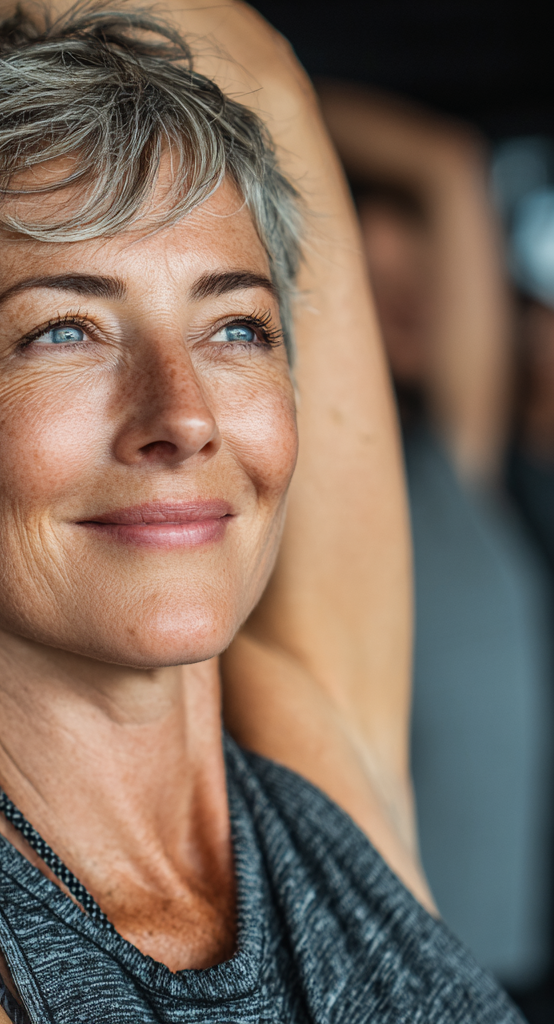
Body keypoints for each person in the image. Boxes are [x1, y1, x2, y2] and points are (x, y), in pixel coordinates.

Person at [0, 4, 521, 1022]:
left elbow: (251, 65)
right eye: (64, 330)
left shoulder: (314, 742)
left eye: (234, 326)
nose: (179, 415)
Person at [319, 85, 552, 989]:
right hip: (383, 979)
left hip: (503, 969)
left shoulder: (451, 460)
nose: (405, 304)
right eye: (371, 290)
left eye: (415, 277)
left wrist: (264, 82)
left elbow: (449, 169)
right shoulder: (308, 489)